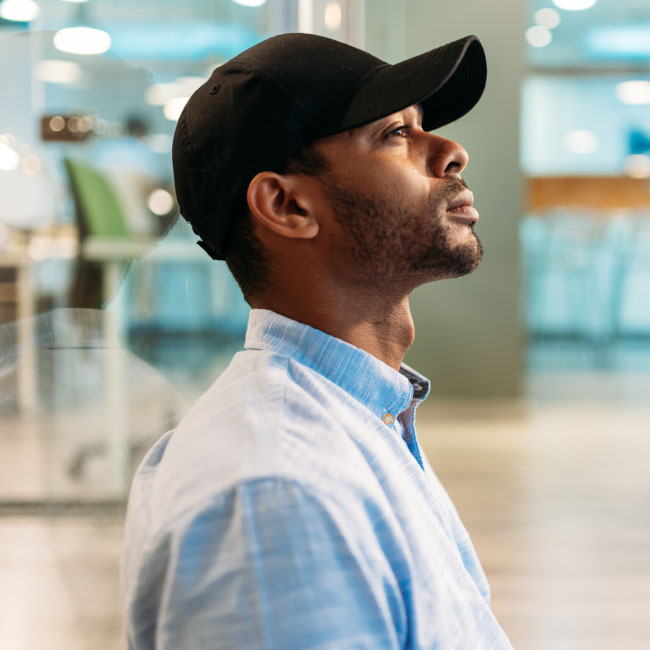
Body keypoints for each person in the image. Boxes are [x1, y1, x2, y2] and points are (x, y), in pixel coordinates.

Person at [121, 32, 514, 649]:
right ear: (287, 205)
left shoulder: (363, 416)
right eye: (395, 134)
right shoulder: (276, 498)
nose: (452, 151)